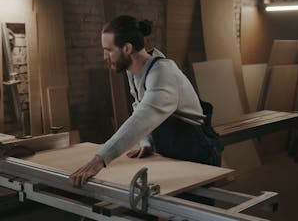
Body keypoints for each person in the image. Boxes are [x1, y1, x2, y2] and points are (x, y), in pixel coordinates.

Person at [69, 15, 221, 187]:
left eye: (109, 50)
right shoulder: (134, 69)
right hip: (174, 152)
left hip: (196, 152)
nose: (105, 56)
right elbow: (139, 105)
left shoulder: (163, 73)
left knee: (194, 212)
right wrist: (147, 141)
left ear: (127, 48)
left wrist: (100, 159)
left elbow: (144, 115)